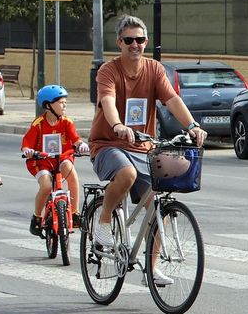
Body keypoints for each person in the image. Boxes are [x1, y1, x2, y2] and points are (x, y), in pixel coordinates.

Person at [88, 16, 205, 284]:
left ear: (146, 41)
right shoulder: (108, 71)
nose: (135, 45)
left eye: (140, 40)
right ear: (119, 42)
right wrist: (117, 125)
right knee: (126, 173)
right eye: (129, 40)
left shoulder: (154, 69)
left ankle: (150, 271)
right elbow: (108, 101)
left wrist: (192, 125)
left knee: (158, 207)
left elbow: (172, 99)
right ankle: (103, 222)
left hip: (143, 147)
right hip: (108, 144)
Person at [21, 84, 88, 235]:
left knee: (72, 174)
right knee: (46, 186)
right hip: (41, 162)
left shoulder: (67, 122)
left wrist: (81, 145)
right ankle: (37, 217)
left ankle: (75, 213)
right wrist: (28, 151)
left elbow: (75, 139)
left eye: (65, 102)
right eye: (61, 102)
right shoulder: (38, 124)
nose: (64, 105)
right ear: (48, 105)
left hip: (62, 158)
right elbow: (27, 144)